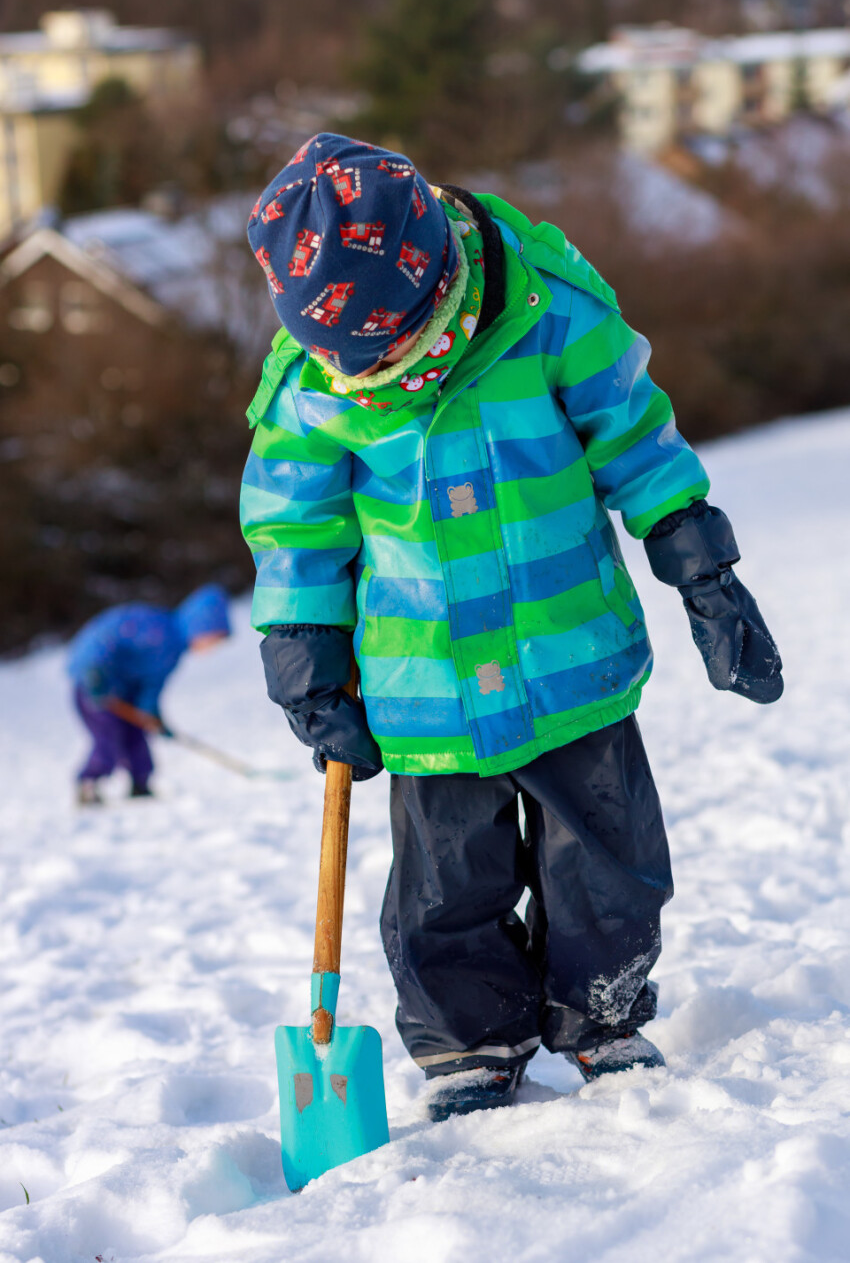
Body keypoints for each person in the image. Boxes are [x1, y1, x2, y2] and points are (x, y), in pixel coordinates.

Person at [241, 134, 783, 1120]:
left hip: (569, 655)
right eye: (338, 355)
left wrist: (699, 562)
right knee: (445, 891)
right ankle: (470, 1046)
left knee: (607, 870)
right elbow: (293, 525)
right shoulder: (311, 384)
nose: (358, 371)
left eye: (381, 350)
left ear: (430, 283)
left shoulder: (547, 311)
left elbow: (637, 441)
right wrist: (301, 645)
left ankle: (600, 1014)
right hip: (422, 685)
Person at [68, 585, 231, 804]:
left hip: (124, 694)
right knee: (108, 735)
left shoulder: (173, 651)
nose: (211, 648)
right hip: (95, 685)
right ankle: (89, 784)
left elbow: (151, 686)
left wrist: (153, 716)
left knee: (136, 734)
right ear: (200, 626)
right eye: (213, 638)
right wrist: (93, 672)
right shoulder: (156, 627)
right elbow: (105, 636)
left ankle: (140, 783)